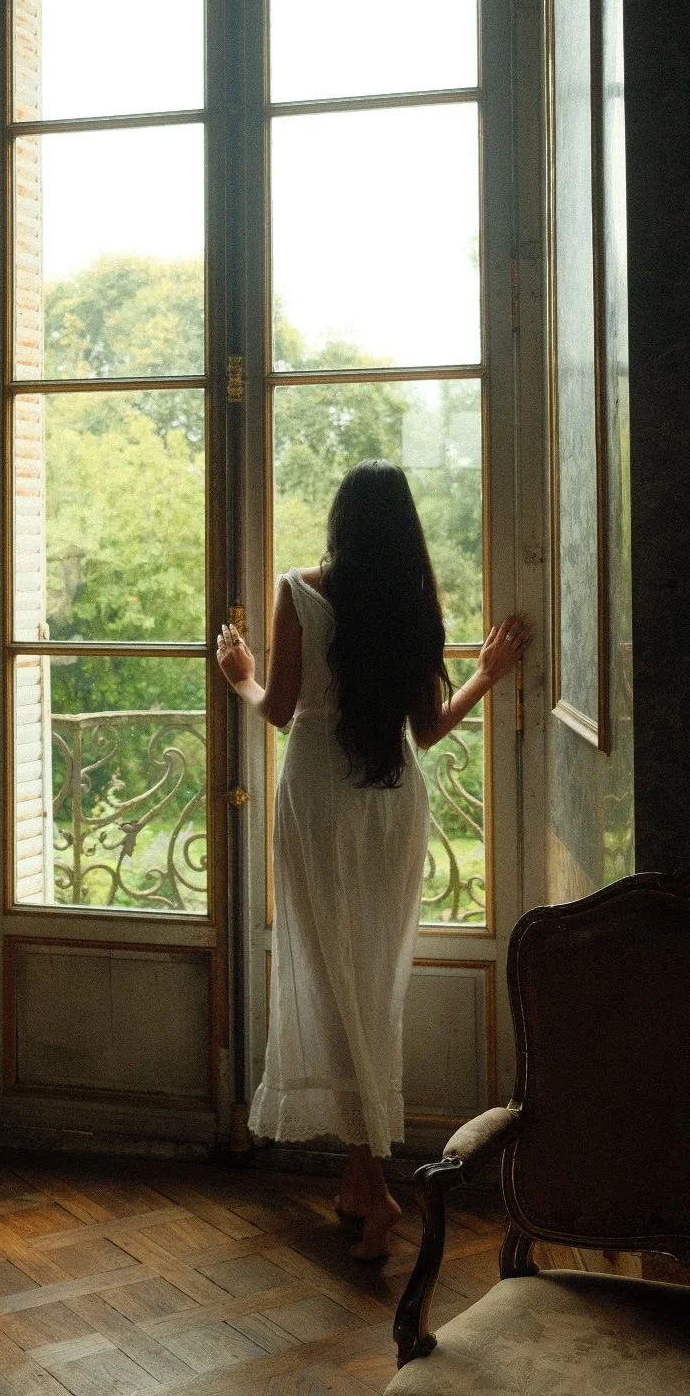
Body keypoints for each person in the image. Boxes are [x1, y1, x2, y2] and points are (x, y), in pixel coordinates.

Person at [216, 459, 530, 1261]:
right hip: (392, 807)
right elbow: (425, 732)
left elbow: (282, 712)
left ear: (340, 521)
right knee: (371, 986)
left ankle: (380, 1188)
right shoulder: (414, 605)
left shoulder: (299, 591)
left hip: (320, 800)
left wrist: (239, 676)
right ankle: (362, 1181)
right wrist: (486, 678)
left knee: (330, 981)